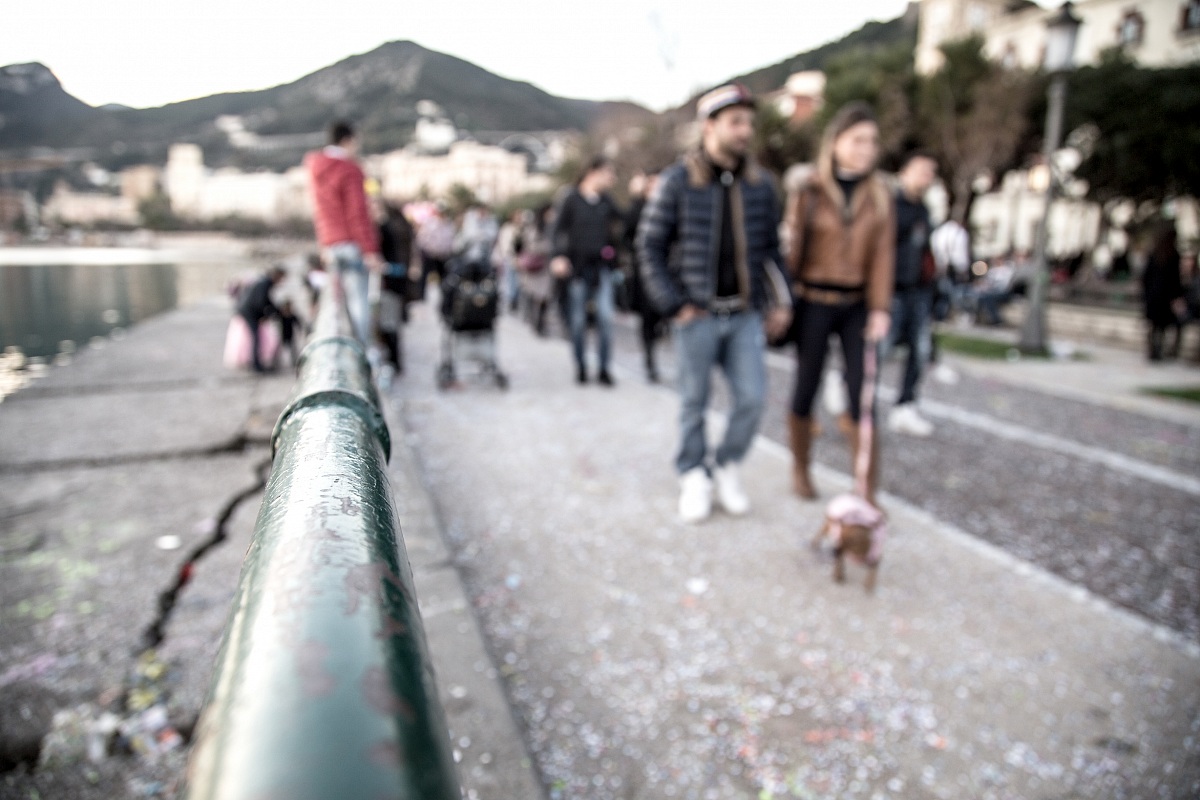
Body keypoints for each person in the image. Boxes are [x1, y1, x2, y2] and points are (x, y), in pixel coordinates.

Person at [639, 83, 793, 523]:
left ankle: (726, 464)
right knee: (694, 402)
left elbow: (771, 251)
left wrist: (781, 302)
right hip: (697, 315)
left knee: (752, 399)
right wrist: (674, 304)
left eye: (749, 123)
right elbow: (648, 247)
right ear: (710, 127)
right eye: (735, 122)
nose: (745, 131)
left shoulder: (760, 185)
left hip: (743, 314)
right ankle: (693, 474)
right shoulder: (677, 182)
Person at [785, 101, 894, 503]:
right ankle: (800, 467)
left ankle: (866, 487)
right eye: (858, 140)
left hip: (857, 304)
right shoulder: (810, 190)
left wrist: (880, 308)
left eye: (872, 141)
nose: (867, 149)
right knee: (806, 385)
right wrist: (783, 302)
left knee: (862, 394)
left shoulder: (879, 195)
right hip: (813, 299)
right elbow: (792, 247)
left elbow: (883, 255)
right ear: (836, 143)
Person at [304, 120, 382, 345]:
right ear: (347, 140)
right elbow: (357, 213)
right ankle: (361, 350)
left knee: (334, 304)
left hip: (331, 245)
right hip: (352, 245)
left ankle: (331, 346)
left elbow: (320, 212)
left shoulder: (316, 168)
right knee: (359, 303)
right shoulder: (349, 169)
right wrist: (370, 250)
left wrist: (324, 244)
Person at [550, 156, 624, 386]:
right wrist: (558, 256)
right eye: (608, 173)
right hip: (577, 269)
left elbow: (626, 220)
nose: (611, 178)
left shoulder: (606, 200)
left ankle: (604, 368)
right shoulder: (571, 198)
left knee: (606, 318)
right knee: (578, 321)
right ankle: (581, 365)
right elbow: (557, 230)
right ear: (593, 172)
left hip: (602, 268)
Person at [883, 151, 938, 438]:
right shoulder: (890, 205)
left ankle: (905, 405)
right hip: (891, 289)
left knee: (920, 350)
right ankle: (849, 389)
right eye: (921, 170)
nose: (926, 177)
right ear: (904, 172)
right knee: (882, 348)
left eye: (931, 172)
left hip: (918, 290)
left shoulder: (924, 210)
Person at [625, 171, 666, 383]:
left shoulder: (673, 206)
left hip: (670, 273)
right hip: (645, 274)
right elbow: (626, 234)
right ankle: (650, 361)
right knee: (648, 319)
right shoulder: (638, 209)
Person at [377, 201, 415, 380]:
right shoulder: (404, 228)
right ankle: (396, 361)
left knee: (389, 323)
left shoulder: (386, 228)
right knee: (393, 323)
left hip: (390, 282)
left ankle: (394, 362)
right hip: (399, 282)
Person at [1141, 221, 1185, 361]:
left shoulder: (1156, 253)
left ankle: (1154, 349)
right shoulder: (1172, 255)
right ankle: (1157, 349)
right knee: (1161, 326)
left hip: (1155, 296)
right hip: (1164, 297)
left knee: (1155, 325)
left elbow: (1146, 276)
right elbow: (1175, 280)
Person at [237, 266, 287, 373]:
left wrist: (275, 311)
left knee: (256, 337)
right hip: (250, 312)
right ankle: (256, 364)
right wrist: (266, 315)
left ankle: (256, 362)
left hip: (249, 310)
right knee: (255, 337)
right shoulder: (265, 283)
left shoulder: (265, 282)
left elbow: (266, 300)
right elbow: (261, 302)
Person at [518, 205, 555, 336]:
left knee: (545, 297)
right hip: (535, 269)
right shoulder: (535, 228)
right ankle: (535, 322)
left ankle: (540, 323)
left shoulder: (554, 227)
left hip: (547, 269)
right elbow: (531, 246)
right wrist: (549, 247)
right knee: (535, 296)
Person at [416, 204, 456, 297]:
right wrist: (428, 249)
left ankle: (444, 298)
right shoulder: (430, 223)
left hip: (442, 256)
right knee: (424, 276)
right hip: (429, 255)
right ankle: (420, 296)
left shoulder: (448, 224)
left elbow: (451, 240)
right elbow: (422, 238)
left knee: (443, 278)